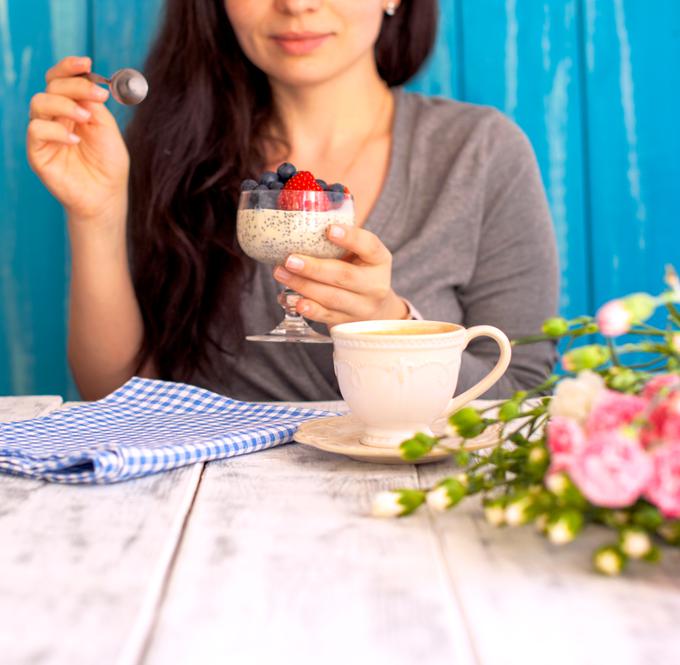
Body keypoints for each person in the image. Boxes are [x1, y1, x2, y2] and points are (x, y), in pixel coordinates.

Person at [26, 0, 558, 402]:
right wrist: (95, 212)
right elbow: (117, 396)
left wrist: (393, 327)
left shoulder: (480, 153)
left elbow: (521, 395)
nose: (295, 5)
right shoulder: (177, 153)